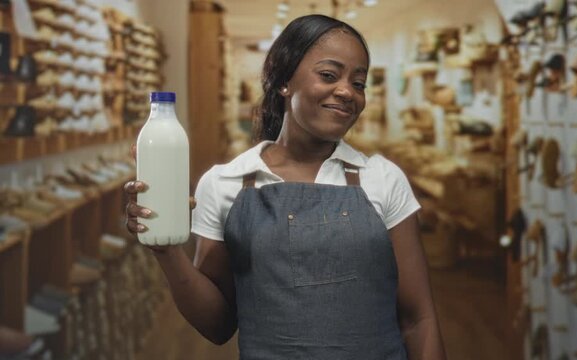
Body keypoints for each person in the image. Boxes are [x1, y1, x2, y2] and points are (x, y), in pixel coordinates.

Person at [125, 14, 447, 360]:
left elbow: (419, 320)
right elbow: (217, 325)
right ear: (284, 81)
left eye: (359, 83)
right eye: (328, 75)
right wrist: (167, 251)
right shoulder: (225, 184)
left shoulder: (382, 180)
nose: (347, 92)